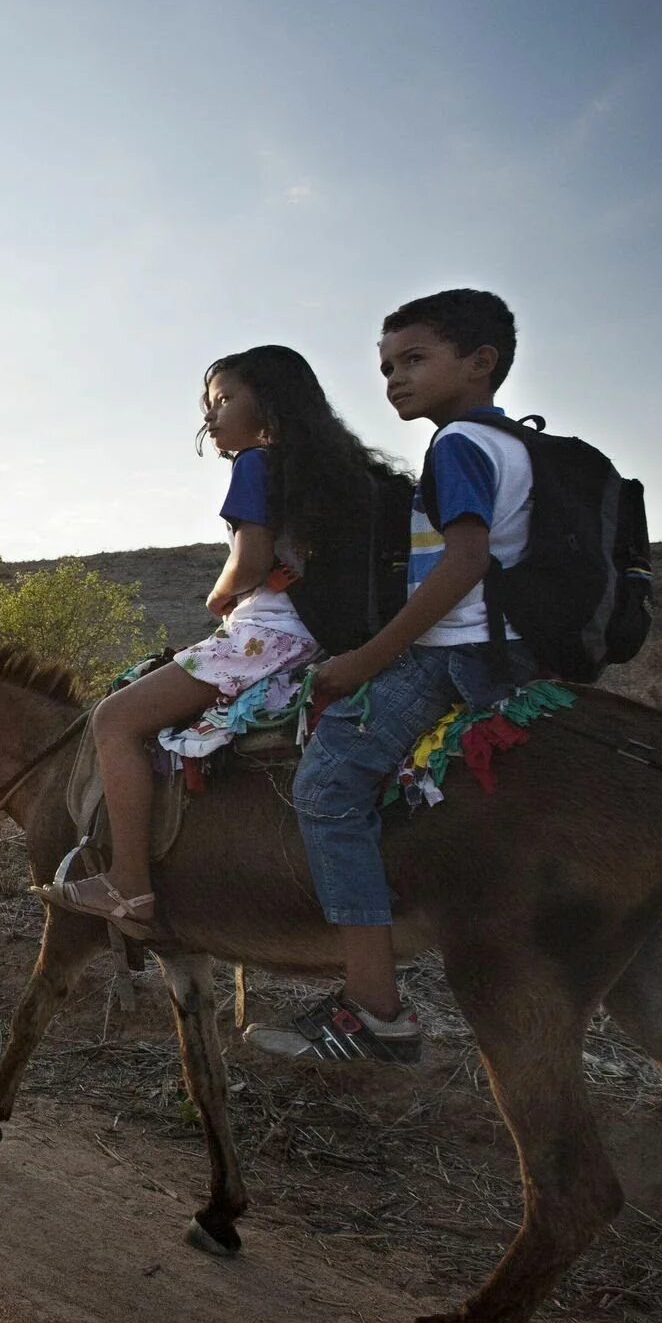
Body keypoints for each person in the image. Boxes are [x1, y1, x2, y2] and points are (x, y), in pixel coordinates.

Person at [249, 288, 535, 1065]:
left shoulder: (456, 447)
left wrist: (368, 659)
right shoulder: (515, 442)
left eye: (415, 360)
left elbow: (467, 561)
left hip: (454, 654)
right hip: (503, 645)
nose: (394, 381)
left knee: (325, 788)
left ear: (482, 363)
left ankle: (374, 1009)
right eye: (385, 368)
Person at [42, 346, 389, 937]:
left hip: (264, 634)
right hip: (310, 637)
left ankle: (129, 886)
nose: (212, 416)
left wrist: (215, 597)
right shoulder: (333, 472)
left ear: (270, 404)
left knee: (114, 719)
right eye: (209, 405)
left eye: (225, 399)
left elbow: (249, 561)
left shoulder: (256, 463)